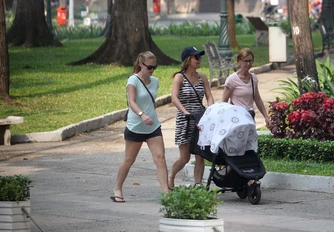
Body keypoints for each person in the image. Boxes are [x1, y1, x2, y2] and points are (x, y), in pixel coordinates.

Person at [112, 51, 169, 203]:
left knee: (160, 158)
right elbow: (131, 102)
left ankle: (166, 193)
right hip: (136, 126)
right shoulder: (133, 80)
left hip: (153, 127)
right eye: (149, 67)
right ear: (141, 65)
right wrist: (142, 114)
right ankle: (117, 187)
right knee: (129, 160)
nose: (152, 70)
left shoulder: (155, 81)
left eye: (154, 67)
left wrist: (149, 116)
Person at [168, 46, 214, 188]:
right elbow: (174, 98)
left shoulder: (202, 76)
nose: (199, 59)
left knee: (200, 155)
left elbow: (209, 96)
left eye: (200, 57)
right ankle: (171, 176)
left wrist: (211, 110)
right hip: (186, 120)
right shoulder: (179, 77)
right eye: (196, 57)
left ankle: (198, 184)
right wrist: (185, 112)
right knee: (185, 157)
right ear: (188, 60)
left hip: (200, 118)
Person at [222, 48, 271, 129]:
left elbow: (257, 99)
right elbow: (224, 102)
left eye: (250, 61)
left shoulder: (253, 78)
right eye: (245, 61)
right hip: (236, 119)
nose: (248, 64)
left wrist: (266, 116)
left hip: (249, 118)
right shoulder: (232, 79)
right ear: (239, 61)